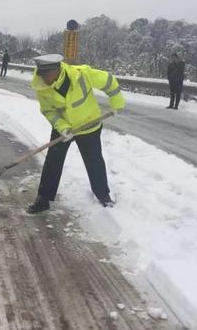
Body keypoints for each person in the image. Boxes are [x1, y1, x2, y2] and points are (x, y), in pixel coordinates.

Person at [27, 54, 125, 214]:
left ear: (57, 70)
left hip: (89, 124)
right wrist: (63, 127)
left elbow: (109, 80)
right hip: (64, 128)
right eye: (41, 74)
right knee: (53, 160)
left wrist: (117, 102)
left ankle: (103, 195)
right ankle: (43, 199)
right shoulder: (41, 87)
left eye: (47, 75)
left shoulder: (82, 74)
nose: (44, 79)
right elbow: (48, 111)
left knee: (94, 160)